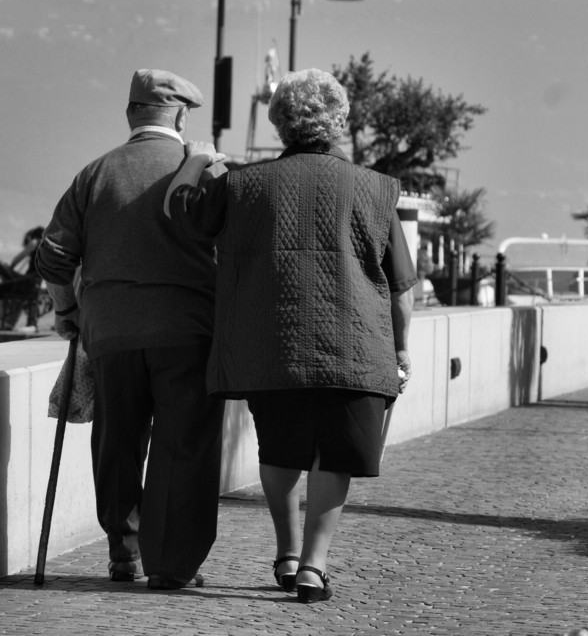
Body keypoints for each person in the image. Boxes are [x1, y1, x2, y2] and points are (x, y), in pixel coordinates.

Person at [164, 68, 416, 603]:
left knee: (281, 446)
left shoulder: (242, 185)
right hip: (356, 344)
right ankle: (313, 567)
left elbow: (183, 216)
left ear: (280, 122)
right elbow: (400, 289)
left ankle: (285, 550)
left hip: (271, 340)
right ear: (340, 122)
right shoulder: (376, 189)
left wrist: (192, 162)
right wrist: (400, 347)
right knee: (337, 453)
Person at [37, 69, 227, 590]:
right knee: (183, 446)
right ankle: (173, 564)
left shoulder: (95, 174)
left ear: (130, 114)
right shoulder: (205, 170)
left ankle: (126, 552)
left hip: (111, 333)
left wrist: (65, 310)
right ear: (183, 116)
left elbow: (54, 256)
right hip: (188, 332)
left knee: (118, 441)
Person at [0, 225, 48, 331]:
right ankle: (0, 321)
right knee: (3, 287)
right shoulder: (45, 246)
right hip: (34, 282)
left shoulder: (35, 242)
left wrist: (9, 271)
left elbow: (17, 258)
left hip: (28, 281)